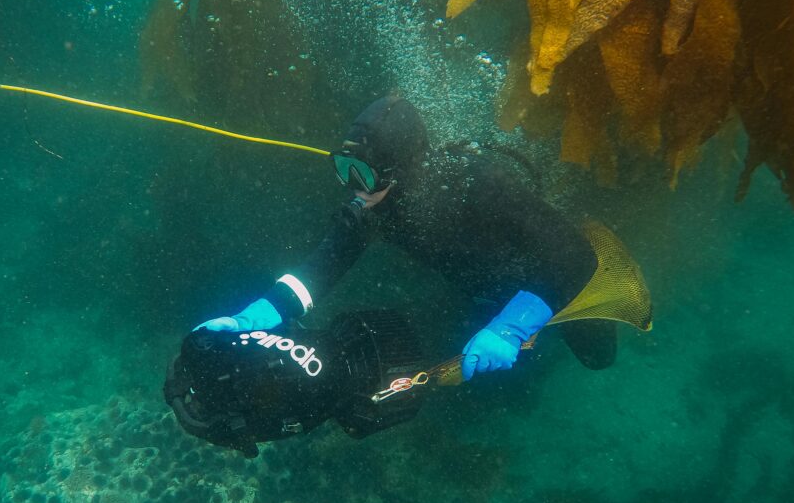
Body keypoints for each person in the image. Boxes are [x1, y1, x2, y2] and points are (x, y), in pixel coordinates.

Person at [197, 95, 616, 380]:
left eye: (362, 175)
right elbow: (326, 264)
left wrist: (512, 326)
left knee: (599, 358)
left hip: (544, 280)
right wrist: (259, 314)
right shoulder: (377, 205)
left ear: (399, 173)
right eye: (343, 168)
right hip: (476, 288)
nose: (353, 188)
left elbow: (574, 257)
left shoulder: (481, 185)